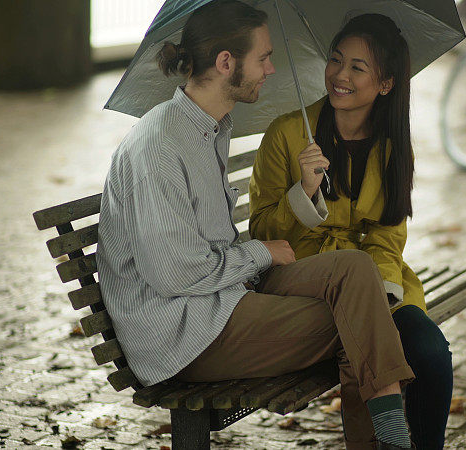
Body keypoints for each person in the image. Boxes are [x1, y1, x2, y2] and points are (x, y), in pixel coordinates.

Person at [95, 2, 415, 449]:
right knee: (360, 321)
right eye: (263, 57)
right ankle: (394, 442)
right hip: (186, 334)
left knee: (357, 270)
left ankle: (392, 439)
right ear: (227, 63)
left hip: (220, 303)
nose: (271, 68)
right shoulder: (160, 147)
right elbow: (174, 274)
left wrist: (261, 253)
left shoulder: (209, 128)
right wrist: (260, 254)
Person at [249, 13, 453, 450]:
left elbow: (387, 233)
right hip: (300, 282)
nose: (340, 75)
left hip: (369, 281)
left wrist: (379, 288)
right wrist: (302, 193)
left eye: (357, 68)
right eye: (336, 60)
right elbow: (261, 230)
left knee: (431, 352)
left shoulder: (393, 144)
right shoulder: (287, 135)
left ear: (386, 84)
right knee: (368, 346)